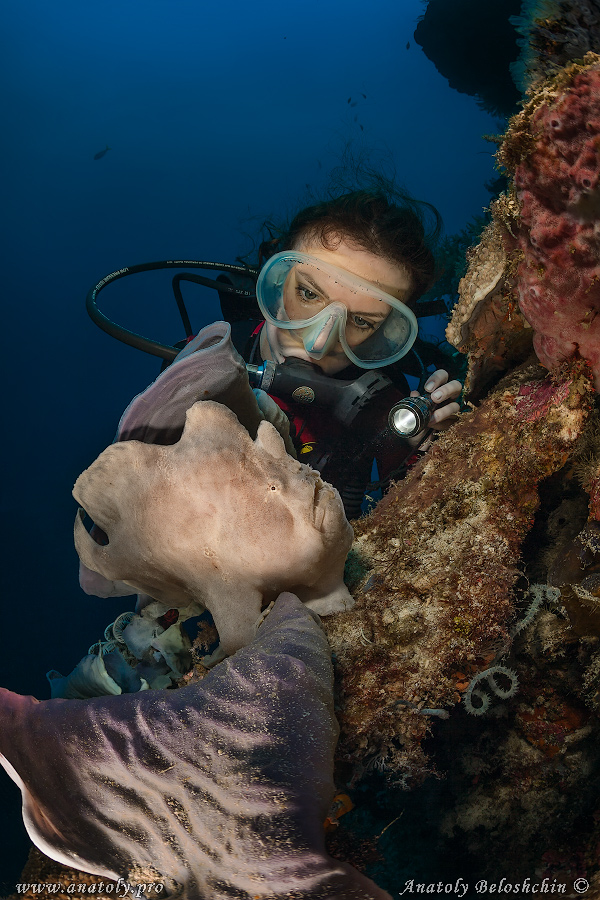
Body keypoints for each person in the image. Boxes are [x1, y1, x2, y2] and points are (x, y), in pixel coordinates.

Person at [219, 189, 462, 517]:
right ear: (276, 279)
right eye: (307, 293)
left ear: (386, 334)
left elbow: (417, 520)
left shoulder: (385, 407)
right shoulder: (204, 357)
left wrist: (423, 450)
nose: (317, 345)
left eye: (361, 321)